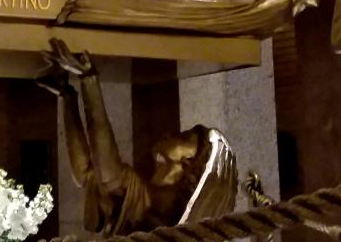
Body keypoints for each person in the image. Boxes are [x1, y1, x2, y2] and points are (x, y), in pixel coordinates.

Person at [36, 39, 236, 235]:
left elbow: (108, 175)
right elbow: (87, 173)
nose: (169, 134)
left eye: (182, 137)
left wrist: (88, 79)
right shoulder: (146, 200)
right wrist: (67, 96)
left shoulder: (148, 209)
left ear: (187, 162)